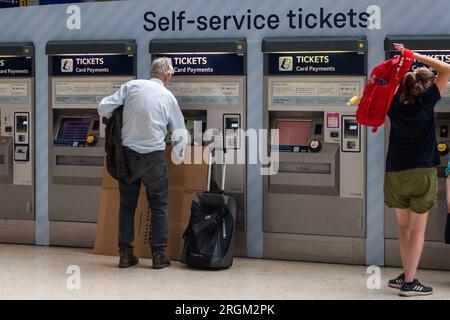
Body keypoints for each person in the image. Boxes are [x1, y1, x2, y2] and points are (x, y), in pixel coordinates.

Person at [98, 57, 187, 270]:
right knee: (159, 205)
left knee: (127, 206)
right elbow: (181, 133)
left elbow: (103, 107)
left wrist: (118, 119)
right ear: (166, 76)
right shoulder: (168, 96)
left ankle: (126, 254)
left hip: (127, 156)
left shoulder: (133, 86)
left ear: (152, 72)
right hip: (154, 158)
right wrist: (179, 152)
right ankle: (158, 255)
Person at [385, 43, 450, 296]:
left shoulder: (393, 104)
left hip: (395, 172)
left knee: (403, 228)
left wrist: (402, 63)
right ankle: (410, 283)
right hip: (421, 172)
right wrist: (413, 55)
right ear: (425, 86)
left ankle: (405, 274)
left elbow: (387, 83)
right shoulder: (427, 101)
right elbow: (446, 68)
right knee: (417, 229)